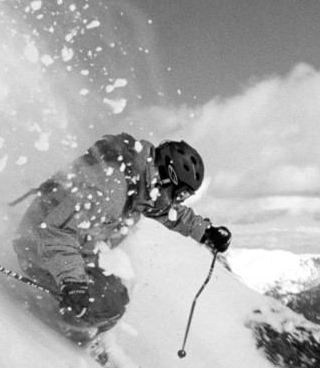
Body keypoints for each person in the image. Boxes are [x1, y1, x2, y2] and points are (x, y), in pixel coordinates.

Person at [12, 132, 231, 333]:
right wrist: (74, 283)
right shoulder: (112, 189)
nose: (177, 200)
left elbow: (172, 213)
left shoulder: (142, 183)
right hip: (39, 246)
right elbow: (54, 231)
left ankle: (75, 319)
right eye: (180, 194)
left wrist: (206, 232)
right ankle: (54, 329)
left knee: (117, 293)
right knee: (109, 305)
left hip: (70, 249)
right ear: (168, 176)